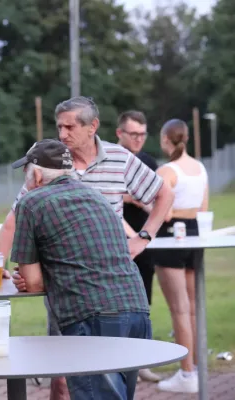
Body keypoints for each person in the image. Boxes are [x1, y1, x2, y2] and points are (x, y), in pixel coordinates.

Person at [1, 96, 174, 399]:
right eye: (60, 127)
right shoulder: (77, 180)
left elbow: (34, 281)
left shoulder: (37, 195)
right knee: (82, 386)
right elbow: (12, 226)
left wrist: (143, 237)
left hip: (86, 307)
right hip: (129, 303)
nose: (63, 134)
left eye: (70, 126)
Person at [11, 139, 152, 400]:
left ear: (38, 174)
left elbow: (32, 282)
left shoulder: (31, 203)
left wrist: (40, 277)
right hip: (137, 310)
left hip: (91, 317)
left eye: (26, 174)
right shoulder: (96, 197)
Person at [154, 119, 209, 394]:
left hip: (170, 237)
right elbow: (204, 208)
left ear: (166, 139)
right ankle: (197, 370)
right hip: (196, 234)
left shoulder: (167, 170)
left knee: (180, 309)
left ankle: (187, 374)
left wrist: (137, 201)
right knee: (194, 306)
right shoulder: (200, 169)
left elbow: (163, 212)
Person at [116, 110, 161, 383]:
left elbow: (157, 200)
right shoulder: (110, 160)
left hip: (142, 242)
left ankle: (142, 360)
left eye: (143, 134)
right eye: (133, 134)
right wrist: (129, 197)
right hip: (115, 241)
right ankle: (120, 361)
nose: (139, 139)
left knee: (143, 304)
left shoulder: (147, 162)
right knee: (116, 307)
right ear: (119, 133)